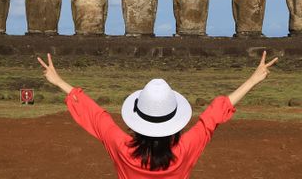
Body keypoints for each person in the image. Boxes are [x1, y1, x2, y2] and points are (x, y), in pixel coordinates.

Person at [38, 51, 278, 179]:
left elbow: (96, 115)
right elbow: (213, 115)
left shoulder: (122, 147)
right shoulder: (185, 149)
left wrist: (59, 81)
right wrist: (253, 80)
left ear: (137, 118)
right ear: (174, 121)